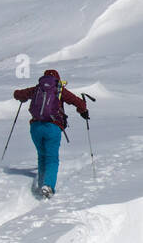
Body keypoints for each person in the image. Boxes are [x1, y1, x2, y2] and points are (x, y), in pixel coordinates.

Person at [13, 69, 88, 197]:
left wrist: (22, 97)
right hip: (52, 127)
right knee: (52, 159)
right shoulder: (59, 90)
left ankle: (42, 183)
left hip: (36, 127)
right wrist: (83, 110)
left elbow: (17, 94)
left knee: (42, 156)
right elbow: (78, 102)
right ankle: (48, 186)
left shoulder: (37, 88)